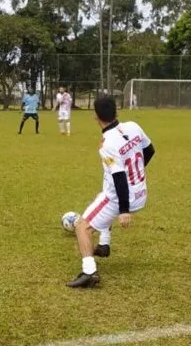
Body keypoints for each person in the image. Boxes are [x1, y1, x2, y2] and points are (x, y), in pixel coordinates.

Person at [66, 96, 156, 288]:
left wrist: (124, 210)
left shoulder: (107, 145)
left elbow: (119, 178)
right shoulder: (133, 126)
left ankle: (89, 272)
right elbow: (150, 150)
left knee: (82, 226)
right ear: (117, 111)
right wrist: (137, 172)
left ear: (96, 117)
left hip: (121, 197)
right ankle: (104, 244)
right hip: (140, 191)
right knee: (99, 201)